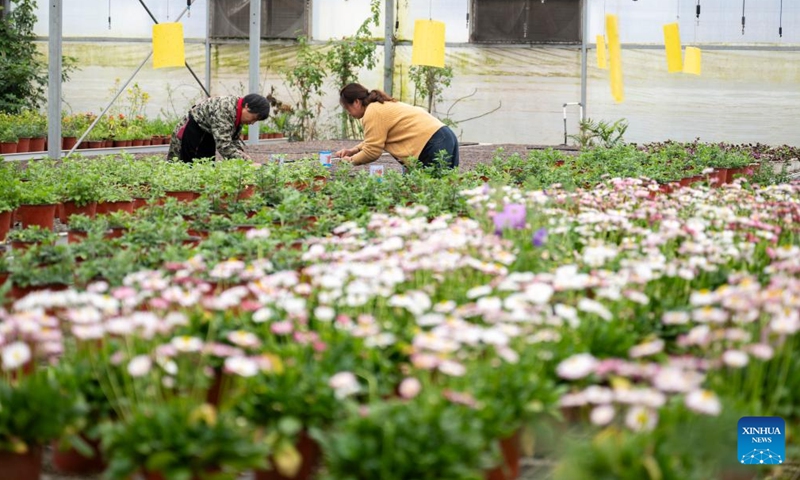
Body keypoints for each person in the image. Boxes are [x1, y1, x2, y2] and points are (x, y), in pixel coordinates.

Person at [334, 83, 459, 169]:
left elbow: (372, 151)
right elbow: (375, 139)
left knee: (431, 190)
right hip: (443, 136)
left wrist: (350, 161)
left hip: (433, 142)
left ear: (356, 102)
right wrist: (353, 151)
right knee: (444, 188)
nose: (348, 113)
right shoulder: (378, 106)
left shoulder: (373, 111)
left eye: (347, 108)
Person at [167, 93, 270, 163]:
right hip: (192, 133)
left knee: (206, 168)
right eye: (254, 118)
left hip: (207, 135)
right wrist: (246, 162)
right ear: (247, 106)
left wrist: (243, 156)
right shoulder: (225, 110)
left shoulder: (239, 110)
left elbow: (233, 140)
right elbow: (224, 145)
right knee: (187, 169)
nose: (252, 123)